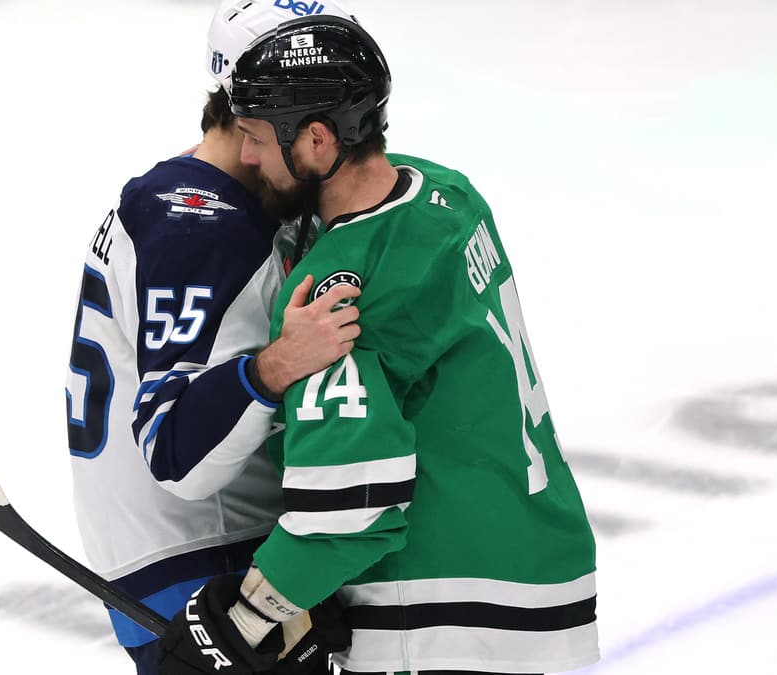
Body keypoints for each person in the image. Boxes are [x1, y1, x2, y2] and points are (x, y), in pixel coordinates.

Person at [155, 15, 600, 675]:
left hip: (444, 613)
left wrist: (243, 621)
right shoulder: (447, 195)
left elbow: (351, 510)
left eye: (256, 138)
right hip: (538, 566)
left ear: (316, 138)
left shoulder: (334, 292)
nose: (246, 159)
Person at [64, 3, 361, 674]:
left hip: (190, 559)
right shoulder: (200, 223)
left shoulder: (200, 192)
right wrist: (276, 366)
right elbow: (176, 451)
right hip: (211, 572)